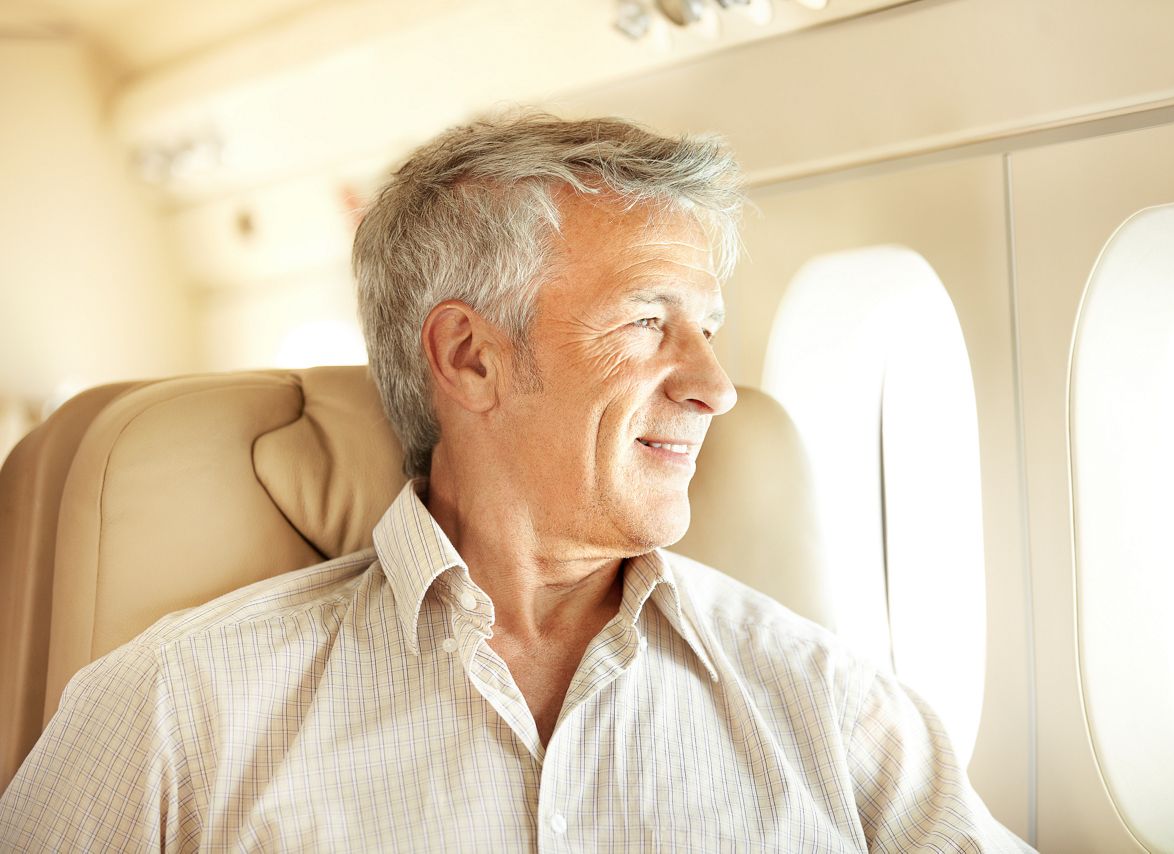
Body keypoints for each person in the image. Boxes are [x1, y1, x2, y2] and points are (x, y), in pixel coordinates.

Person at [0, 113, 1033, 852]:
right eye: (646, 320)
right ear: (470, 356)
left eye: (707, 329)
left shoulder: (833, 706)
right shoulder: (175, 710)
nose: (716, 386)